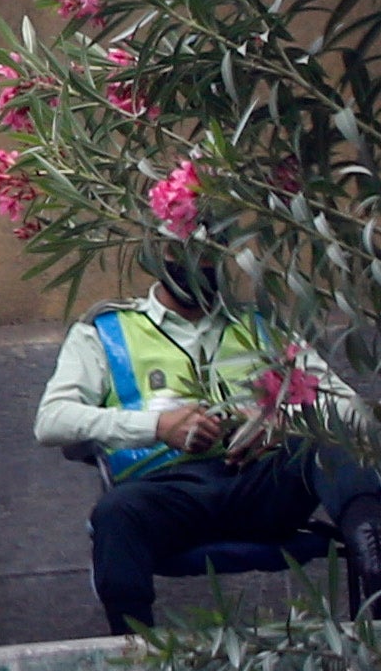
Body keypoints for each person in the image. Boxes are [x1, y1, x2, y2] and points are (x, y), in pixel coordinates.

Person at [35, 246, 381, 632]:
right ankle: (135, 656)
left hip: (259, 484)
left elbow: (350, 408)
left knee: (336, 445)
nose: (199, 267)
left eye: (208, 255)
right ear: (157, 254)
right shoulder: (104, 331)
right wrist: (159, 426)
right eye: (184, 254)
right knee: (115, 513)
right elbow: (51, 420)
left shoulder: (261, 325)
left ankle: (376, 574)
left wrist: (278, 423)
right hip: (166, 493)